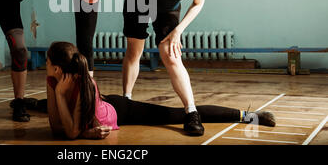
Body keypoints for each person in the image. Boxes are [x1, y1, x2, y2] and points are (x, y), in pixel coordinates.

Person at [33, 41, 275, 140]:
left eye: (46, 61)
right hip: (98, 107)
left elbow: (71, 133)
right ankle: (29, 104)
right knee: (44, 105)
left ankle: (248, 115)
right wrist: (56, 94)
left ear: (56, 67)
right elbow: (57, 129)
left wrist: (63, 102)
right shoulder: (53, 81)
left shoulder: (86, 84)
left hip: (118, 110)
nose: (44, 65)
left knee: (176, 115)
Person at [121, 0, 210, 136]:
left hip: (167, 10)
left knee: (170, 54)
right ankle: (126, 101)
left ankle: (191, 112)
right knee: (135, 51)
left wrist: (178, 30)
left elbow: (198, 4)